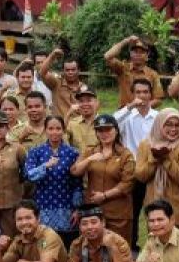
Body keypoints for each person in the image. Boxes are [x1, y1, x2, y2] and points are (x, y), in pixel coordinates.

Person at [71, 113, 135, 244]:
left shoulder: (125, 154)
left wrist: (105, 195)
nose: (104, 133)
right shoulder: (90, 151)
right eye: (100, 130)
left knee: (118, 248)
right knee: (93, 249)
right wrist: (89, 159)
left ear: (116, 131)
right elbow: (75, 171)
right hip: (93, 212)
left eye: (108, 129)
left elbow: (127, 183)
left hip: (118, 213)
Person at [134, 108, 179, 233]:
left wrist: (166, 158)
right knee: (157, 247)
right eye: (168, 124)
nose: (173, 129)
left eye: (178, 125)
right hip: (154, 207)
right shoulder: (146, 145)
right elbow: (140, 176)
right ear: (159, 124)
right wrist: (154, 159)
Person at [24, 115, 82, 246]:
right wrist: (45, 166)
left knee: (67, 245)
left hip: (66, 208)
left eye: (58, 128)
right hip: (43, 206)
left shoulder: (72, 153)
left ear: (64, 130)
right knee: (44, 245)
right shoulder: (35, 152)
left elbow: (77, 184)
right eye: (50, 128)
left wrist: (77, 209)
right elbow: (29, 175)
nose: (54, 132)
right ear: (45, 130)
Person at [115, 78, 158, 251]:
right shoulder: (126, 116)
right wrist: (130, 106)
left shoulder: (157, 117)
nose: (142, 96)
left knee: (154, 208)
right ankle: (131, 245)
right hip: (132, 169)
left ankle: (156, 243)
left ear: (151, 94)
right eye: (138, 92)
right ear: (133, 95)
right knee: (132, 210)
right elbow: (111, 122)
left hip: (153, 169)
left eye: (145, 92)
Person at [104, 36, 164, 108]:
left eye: (141, 52)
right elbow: (107, 56)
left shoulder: (153, 74)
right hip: (124, 113)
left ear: (147, 56)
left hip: (144, 114)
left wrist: (141, 108)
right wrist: (125, 41)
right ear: (130, 54)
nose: (138, 54)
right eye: (135, 51)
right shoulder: (123, 68)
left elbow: (158, 99)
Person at [39, 49, 85, 120]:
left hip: (77, 127)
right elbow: (42, 73)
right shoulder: (56, 83)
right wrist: (53, 56)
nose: (70, 72)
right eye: (67, 70)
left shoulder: (84, 88)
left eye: (73, 70)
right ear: (63, 71)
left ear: (78, 70)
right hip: (59, 126)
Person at [65, 85, 100, 153]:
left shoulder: (104, 123)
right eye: (81, 101)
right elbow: (61, 141)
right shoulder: (72, 124)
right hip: (77, 162)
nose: (85, 104)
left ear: (97, 102)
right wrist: (68, 114)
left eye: (89, 100)